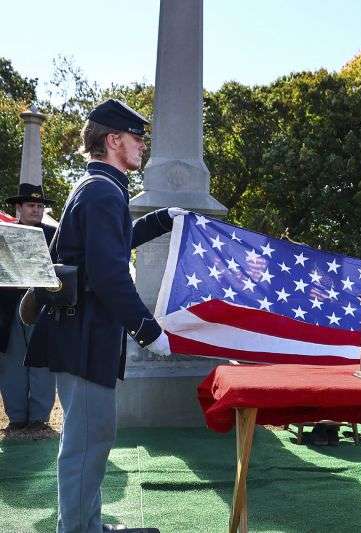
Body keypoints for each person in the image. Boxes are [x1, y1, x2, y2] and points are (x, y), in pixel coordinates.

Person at [25, 99, 188, 533]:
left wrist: (158, 221)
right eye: (137, 137)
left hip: (81, 333)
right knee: (86, 442)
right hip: (83, 336)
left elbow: (109, 245)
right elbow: (108, 272)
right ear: (113, 140)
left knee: (91, 439)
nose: (142, 146)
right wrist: (148, 329)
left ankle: (87, 525)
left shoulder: (100, 186)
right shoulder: (102, 190)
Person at [0, 183, 57, 431]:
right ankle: (16, 417)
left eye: (39, 206)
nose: (36, 210)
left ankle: (38, 418)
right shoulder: (4, 234)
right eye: (31, 205)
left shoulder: (53, 235)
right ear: (19, 208)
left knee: (42, 360)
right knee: (12, 361)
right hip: (8, 306)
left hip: (41, 305)